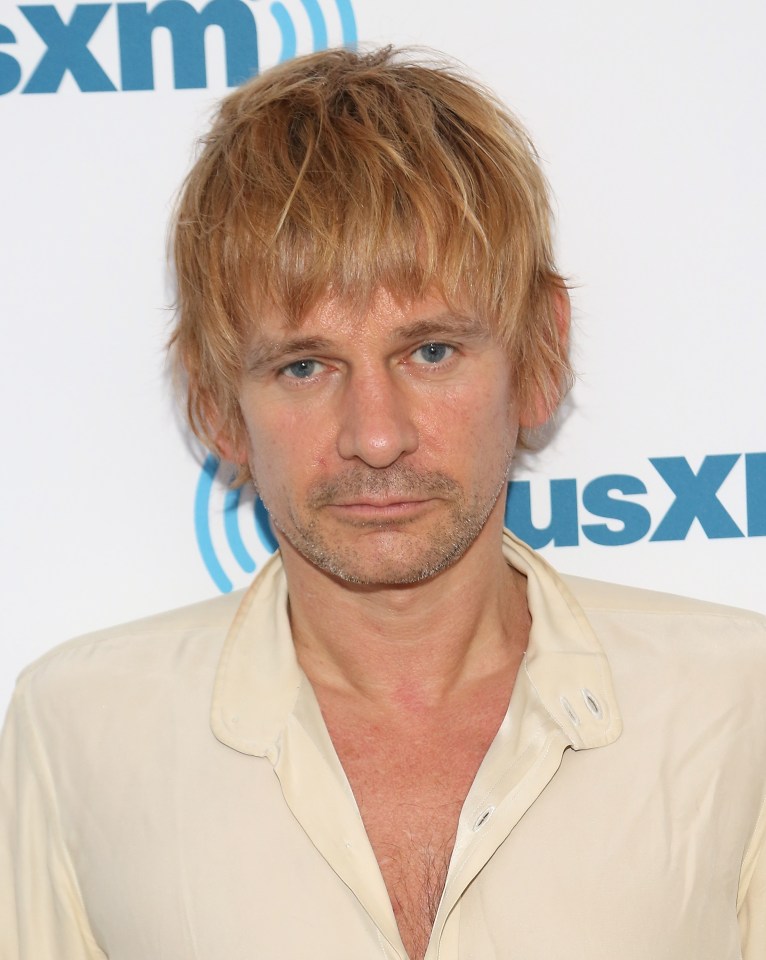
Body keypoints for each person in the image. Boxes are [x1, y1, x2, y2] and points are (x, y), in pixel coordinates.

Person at [1, 45, 765, 960]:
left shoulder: (738, 705)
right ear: (215, 403)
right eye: (305, 366)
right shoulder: (78, 730)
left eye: (431, 351)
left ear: (540, 354)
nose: (375, 435)